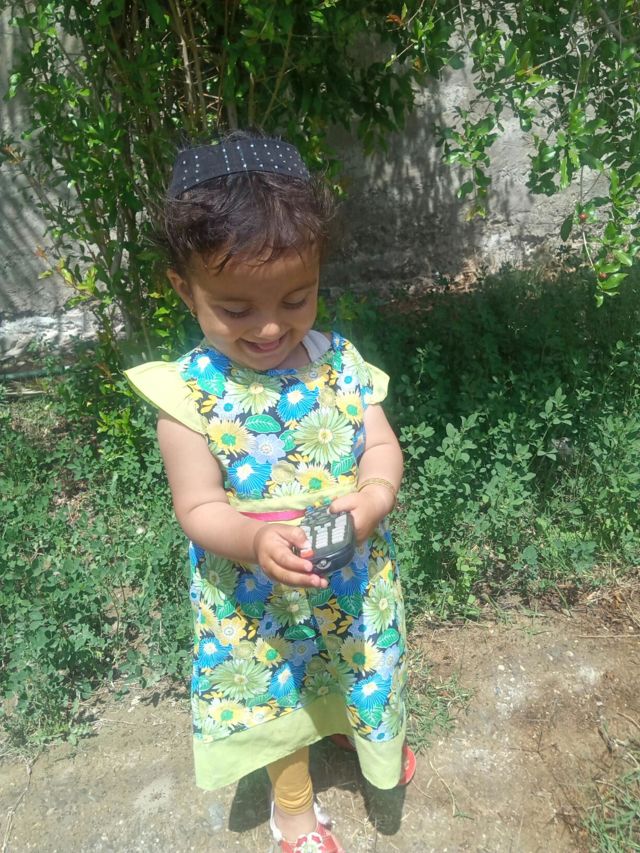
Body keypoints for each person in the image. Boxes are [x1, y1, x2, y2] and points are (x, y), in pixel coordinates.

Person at [124, 130, 414, 853]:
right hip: (255, 598)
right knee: (279, 697)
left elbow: (381, 445)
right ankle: (294, 809)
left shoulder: (339, 362)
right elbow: (198, 507)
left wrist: (375, 495)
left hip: (351, 576)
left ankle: (353, 731)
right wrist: (254, 540)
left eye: (296, 297)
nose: (271, 326)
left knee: (358, 666)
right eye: (235, 308)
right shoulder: (188, 395)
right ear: (185, 289)